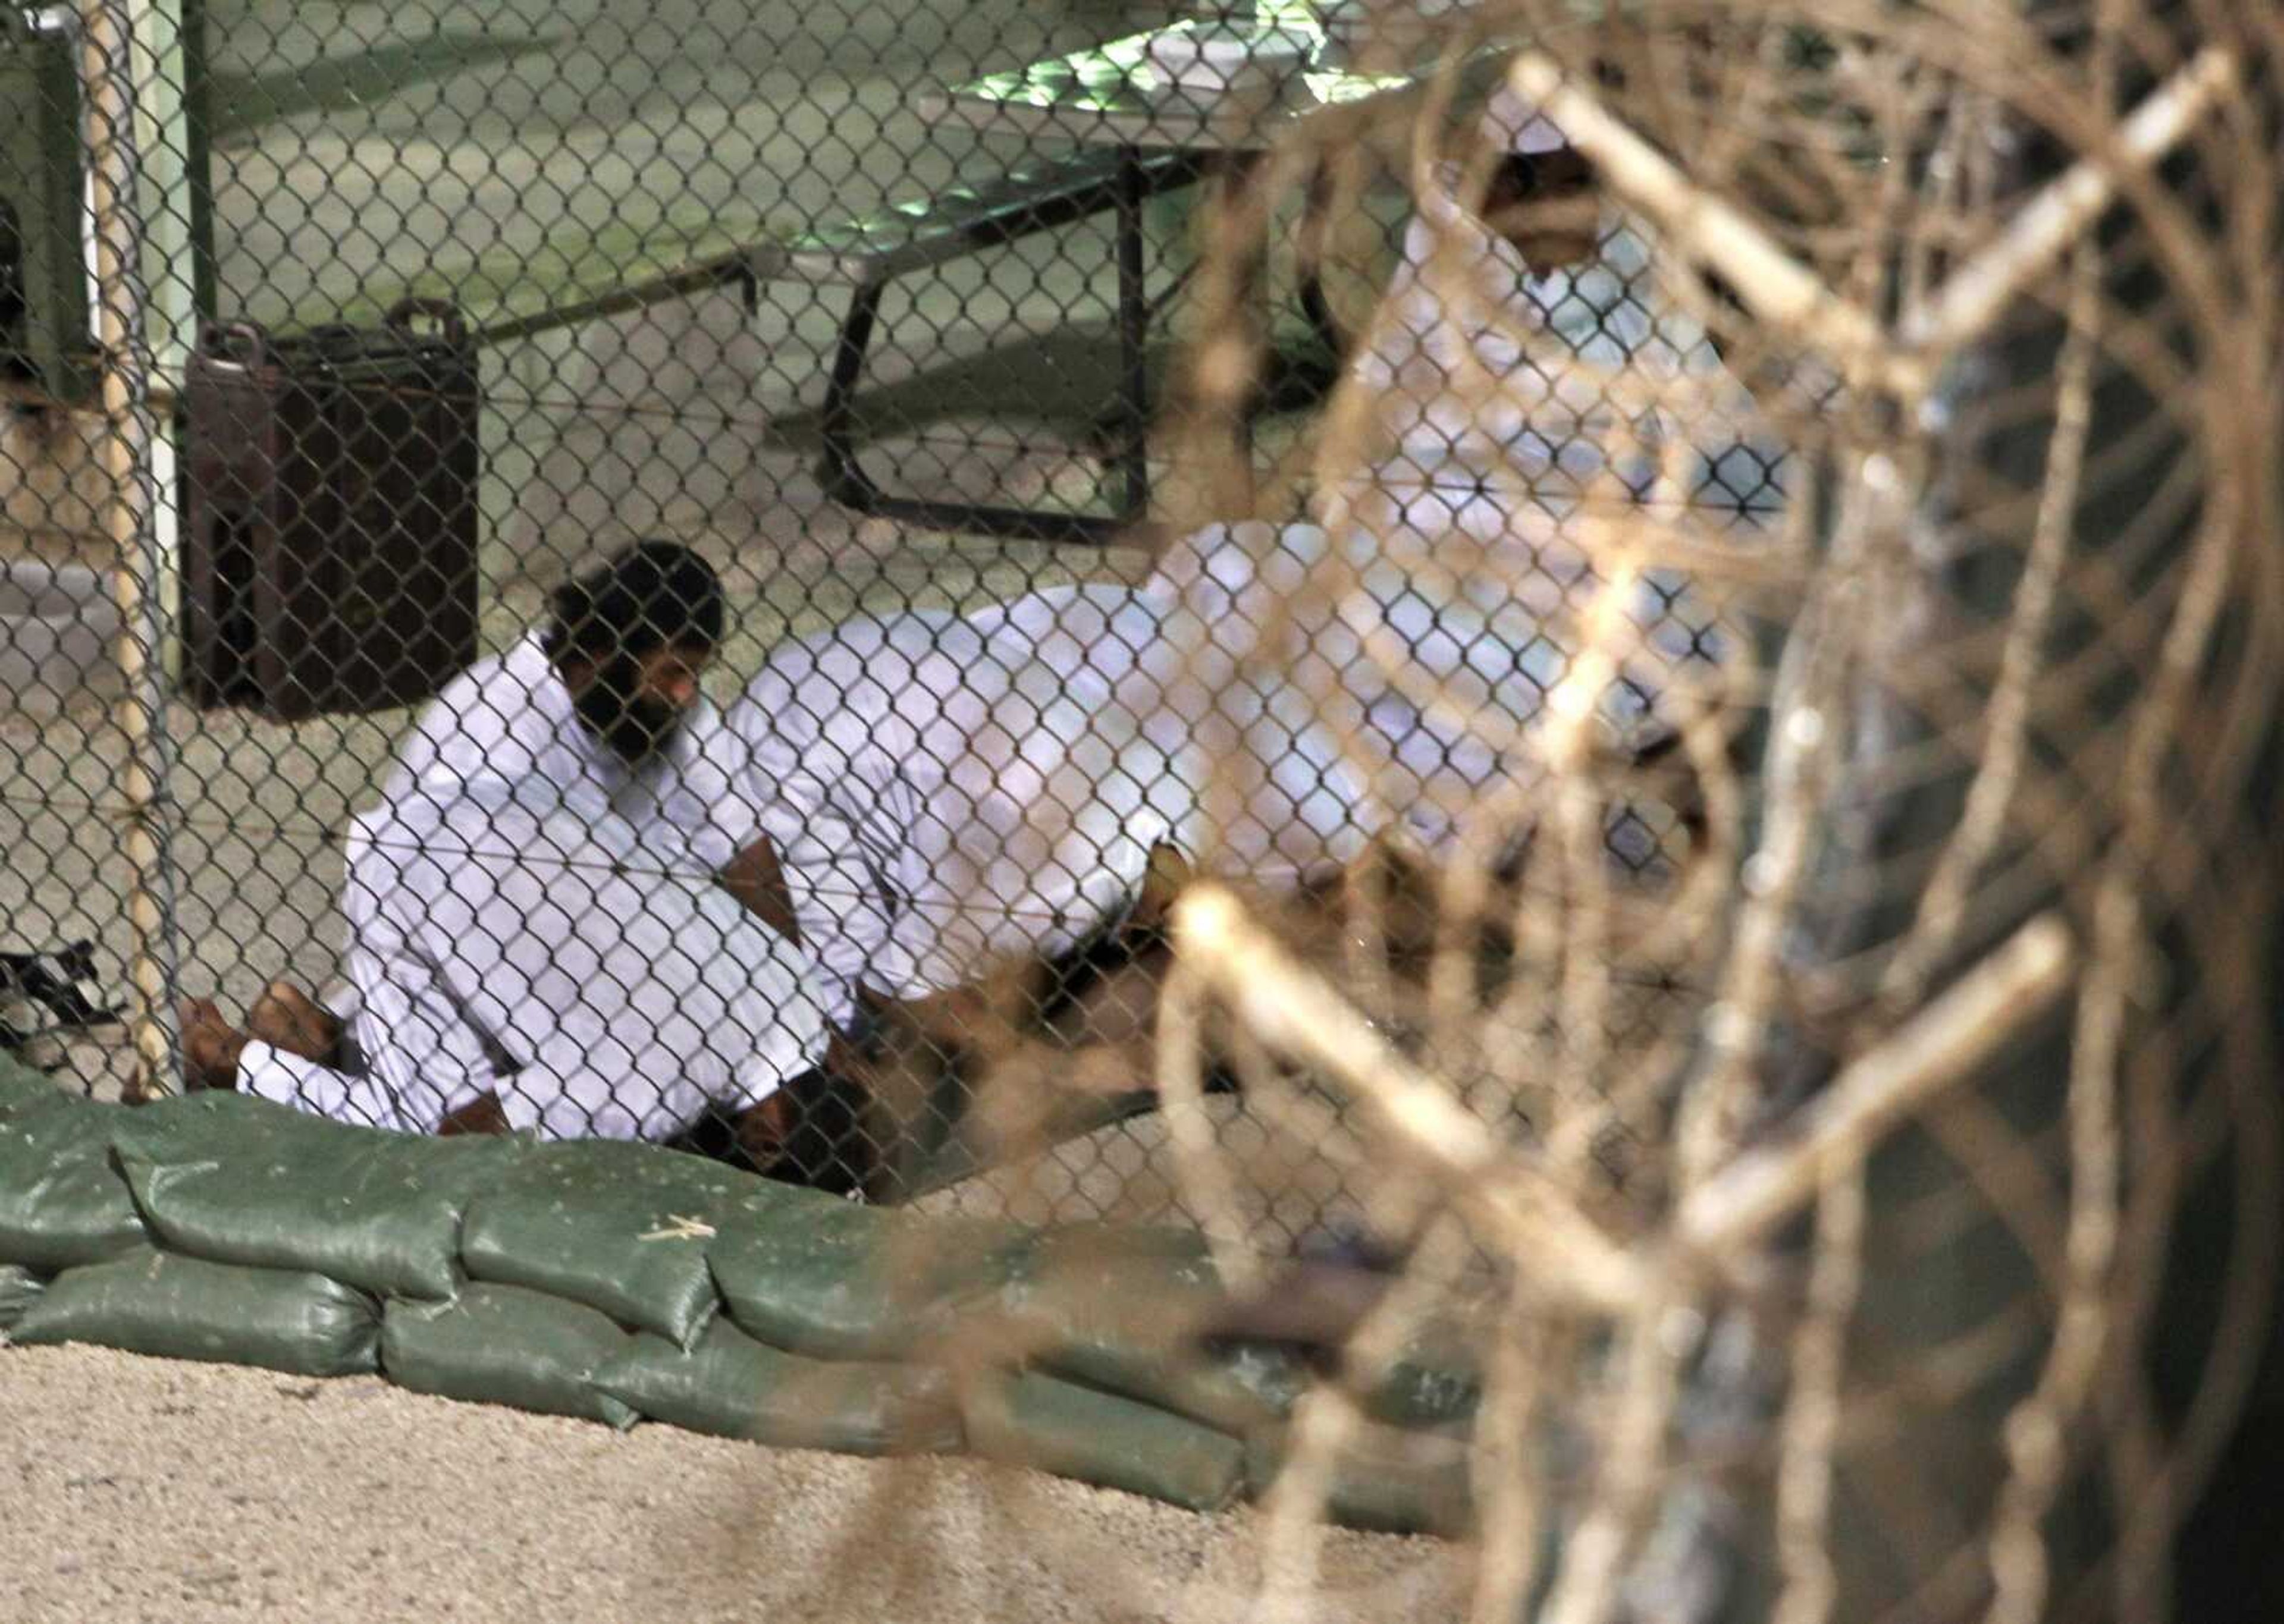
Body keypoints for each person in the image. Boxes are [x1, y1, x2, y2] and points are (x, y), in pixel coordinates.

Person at [182, 542, 829, 1151]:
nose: (687, 693)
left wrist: (797, 1011)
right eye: (671, 674)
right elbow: (439, 901)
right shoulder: (491, 731)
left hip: (598, 969)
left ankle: (306, 1038)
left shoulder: (670, 706)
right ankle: (260, 1064)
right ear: (602, 653)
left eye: (695, 674)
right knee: (431, 1133)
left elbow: (745, 852)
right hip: (454, 959)